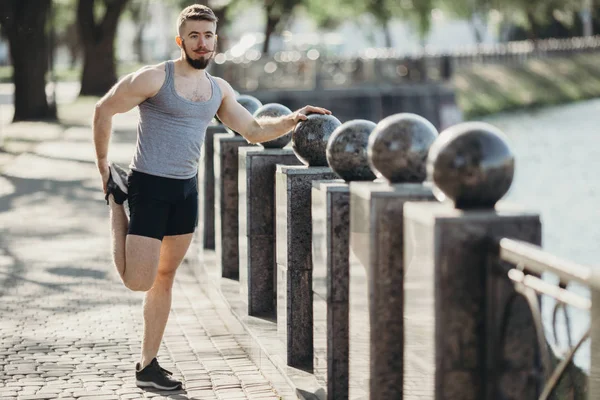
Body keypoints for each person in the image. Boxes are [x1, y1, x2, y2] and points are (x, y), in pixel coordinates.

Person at [92, 3, 331, 392]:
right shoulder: (155, 78)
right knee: (139, 280)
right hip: (148, 186)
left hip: (186, 190)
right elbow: (103, 109)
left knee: (164, 277)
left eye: (208, 36)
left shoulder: (218, 89)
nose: (202, 44)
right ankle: (116, 201)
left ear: (215, 40)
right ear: (180, 40)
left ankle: (147, 365)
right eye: (194, 36)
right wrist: (103, 168)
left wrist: (293, 119)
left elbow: (252, 129)